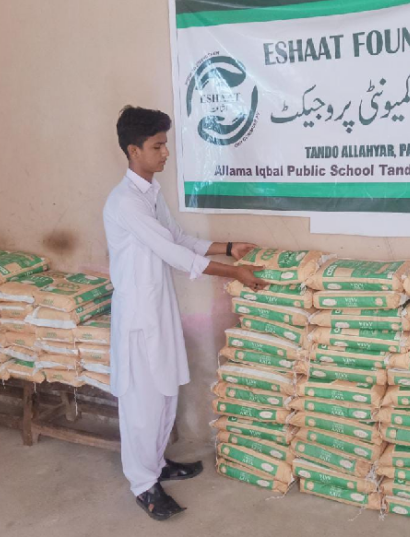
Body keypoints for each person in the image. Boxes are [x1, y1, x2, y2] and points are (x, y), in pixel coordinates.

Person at [103, 105, 267, 521]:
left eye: (165, 145)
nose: (166, 154)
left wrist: (228, 247)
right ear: (133, 149)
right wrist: (233, 273)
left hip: (158, 308)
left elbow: (177, 237)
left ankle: (157, 464)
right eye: (158, 146)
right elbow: (173, 253)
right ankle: (143, 485)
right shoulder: (124, 203)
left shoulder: (150, 195)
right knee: (142, 403)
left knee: (164, 392)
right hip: (139, 316)